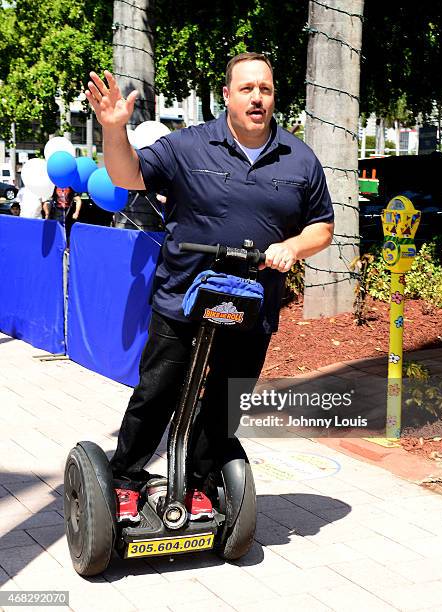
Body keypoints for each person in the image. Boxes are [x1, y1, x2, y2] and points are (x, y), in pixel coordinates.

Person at [86, 52, 334, 522]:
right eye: (246, 88)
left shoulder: (300, 159)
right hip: (182, 296)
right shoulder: (188, 146)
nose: (257, 97)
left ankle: (200, 484)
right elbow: (126, 175)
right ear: (227, 95)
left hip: (252, 305)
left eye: (265, 88)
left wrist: (293, 247)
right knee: (157, 393)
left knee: (225, 402)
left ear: (274, 95)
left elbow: (322, 226)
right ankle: (125, 482)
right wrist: (115, 128)